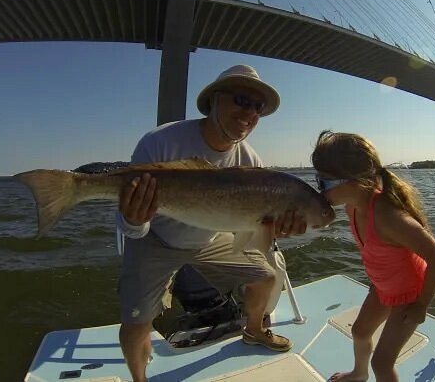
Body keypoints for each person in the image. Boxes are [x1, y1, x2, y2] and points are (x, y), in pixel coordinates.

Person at [116, 65, 307, 382]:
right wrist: (135, 221)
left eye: (257, 106)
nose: (249, 112)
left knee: (266, 277)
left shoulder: (250, 161)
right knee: (137, 322)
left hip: (210, 238)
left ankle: (254, 330)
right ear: (214, 101)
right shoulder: (160, 142)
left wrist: (275, 229)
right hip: (157, 239)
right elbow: (128, 223)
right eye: (242, 99)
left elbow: (256, 224)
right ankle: (139, 378)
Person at [311, 131, 435, 382]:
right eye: (316, 180)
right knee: (360, 332)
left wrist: (421, 306)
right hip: (382, 286)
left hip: (409, 295)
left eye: (324, 183)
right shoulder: (353, 206)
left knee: (382, 364)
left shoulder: (389, 218)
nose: (319, 191)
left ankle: (369, 370)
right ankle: (358, 374)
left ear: (354, 180)